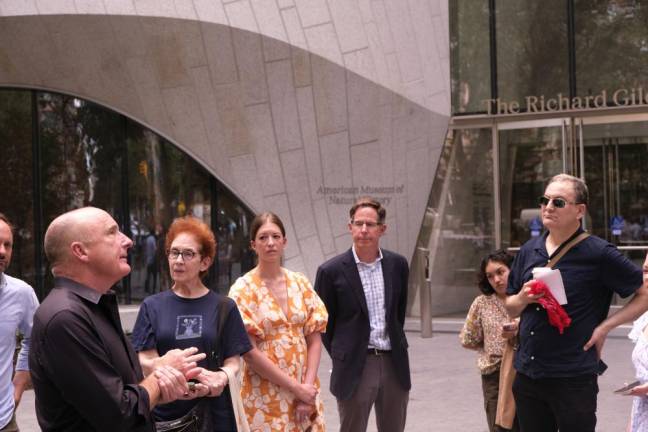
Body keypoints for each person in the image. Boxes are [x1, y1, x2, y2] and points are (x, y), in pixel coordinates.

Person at [29, 207, 203, 431]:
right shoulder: (65, 318)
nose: (128, 241)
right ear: (80, 251)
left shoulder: (92, 306)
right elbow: (120, 414)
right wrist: (161, 376)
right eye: (112, 233)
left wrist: (161, 382)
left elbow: (122, 392)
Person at [505, 174, 648, 432]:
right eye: (544, 200)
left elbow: (645, 293)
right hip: (528, 372)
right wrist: (522, 298)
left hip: (572, 374)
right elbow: (510, 305)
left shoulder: (599, 252)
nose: (548, 207)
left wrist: (605, 327)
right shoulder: (529, 249)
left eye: (558, 202)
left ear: (580, 210)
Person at [132, 216, 252, 431]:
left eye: (188, 254)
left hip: (214, 415)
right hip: (167, 416)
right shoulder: (152, 306)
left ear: (204, 262)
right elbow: (144, 359)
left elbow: (235, 362)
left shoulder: (224, 306)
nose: (178, 260)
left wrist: (221, 377)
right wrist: (163, 365)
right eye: (174, 252)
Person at [314, 197, 411, 432]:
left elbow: (398, 314)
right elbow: (323, 324)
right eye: (358, 224)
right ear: (350, 227)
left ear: (382, 229)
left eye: (370, 224)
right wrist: (344, 352)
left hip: (393, 363)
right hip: (356, 365)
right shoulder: (331, 271)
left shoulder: (397, 265)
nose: (364, 230)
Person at [228, 212, 328, 431]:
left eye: (275, 236)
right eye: (263, 238)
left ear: (285, 241)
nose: (270, 243)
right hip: (263, 393)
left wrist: (306, 389)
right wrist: (296, 388)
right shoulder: (242, 290)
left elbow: (314, 340)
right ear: (253, 245)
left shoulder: (300, 282)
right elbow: (250, 353)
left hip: (304, 386)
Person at [460, 249, 519, 432]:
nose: (496, 280)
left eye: (500, 272)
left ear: (512, 269)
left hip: (524, 371)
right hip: (494, 373)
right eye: (490, 276)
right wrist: (490, 344)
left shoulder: (525, 297)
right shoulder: (482, 303)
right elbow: (467, 338)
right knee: (499, 426)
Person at [0, 213, 39, 432]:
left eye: (8, 245)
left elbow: (36, 339)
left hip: (4, 421)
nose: (2, 252)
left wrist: (19, 384)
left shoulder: (21, 294)